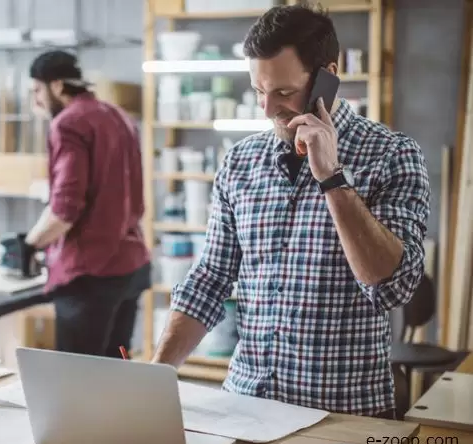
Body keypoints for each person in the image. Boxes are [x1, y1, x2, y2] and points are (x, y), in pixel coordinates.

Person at [152, 4, 430, 419]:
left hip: (343, 416)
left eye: (282, 92)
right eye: (258, 92)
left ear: (327, 77)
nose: (267, 110)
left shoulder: (392, 155)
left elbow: (392, 287)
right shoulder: (241, 162)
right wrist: (152, 378)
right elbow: (209, 279)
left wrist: (332, 179)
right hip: (245, 404)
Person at [23, 50, 151, 358]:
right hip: (130, 266)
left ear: (56, 86)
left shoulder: (68, 123)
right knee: (113, 368)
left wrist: (30, 244)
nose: (36, 101)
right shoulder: (118, 115)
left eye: (37, 91)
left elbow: (65, 209)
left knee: (76, 376)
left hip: (90, 274)